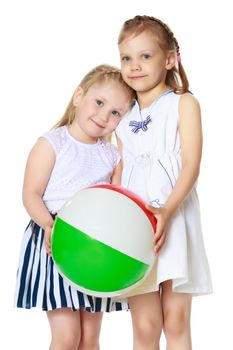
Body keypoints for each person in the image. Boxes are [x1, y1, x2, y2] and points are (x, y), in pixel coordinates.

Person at [14, 64, 135, 350]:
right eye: (99, 102)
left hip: (95, 247)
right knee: (68, 336)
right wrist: (48, 224)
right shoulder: (53, 143)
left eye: (116, 112)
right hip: (56, 241)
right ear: (79, 96)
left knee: (90, 338)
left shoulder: (111, 155)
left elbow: (118, 198)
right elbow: (31, 194)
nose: (104, 116)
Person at [116, 15, 213, 350]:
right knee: (145, 326)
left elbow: (191, 165)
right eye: (126, 58)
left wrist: (168, 211)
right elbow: (119, 170)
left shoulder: (183, 103)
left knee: (175, 320)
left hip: (173, 218)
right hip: (134, 223)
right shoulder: (123, 115)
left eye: (145, 56)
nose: (134, 66)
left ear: (169, 59)